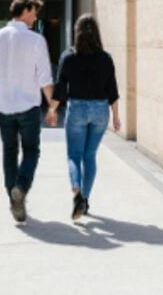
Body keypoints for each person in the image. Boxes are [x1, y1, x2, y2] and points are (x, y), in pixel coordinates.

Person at [0, 0, 59, 222]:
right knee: (31, 150)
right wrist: (52, 108)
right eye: (34, 12)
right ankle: (21, 189)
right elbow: (45, 78)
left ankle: (14, 199)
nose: (35, 17)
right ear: (24, 10)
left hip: (3, 106)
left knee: (9, 152)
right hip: (28, 107)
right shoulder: (36, 40)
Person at [51, 13, 120, 220]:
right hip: (100, 111)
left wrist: (52, 109)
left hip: (78, 109)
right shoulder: (106, 58)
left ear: (77, 32)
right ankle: (85, 200)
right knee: (89, 156)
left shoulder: (69, 56)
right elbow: (112, 90)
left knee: (74, 156)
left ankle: (77, 193)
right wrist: (116, 117)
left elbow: (61, 88)